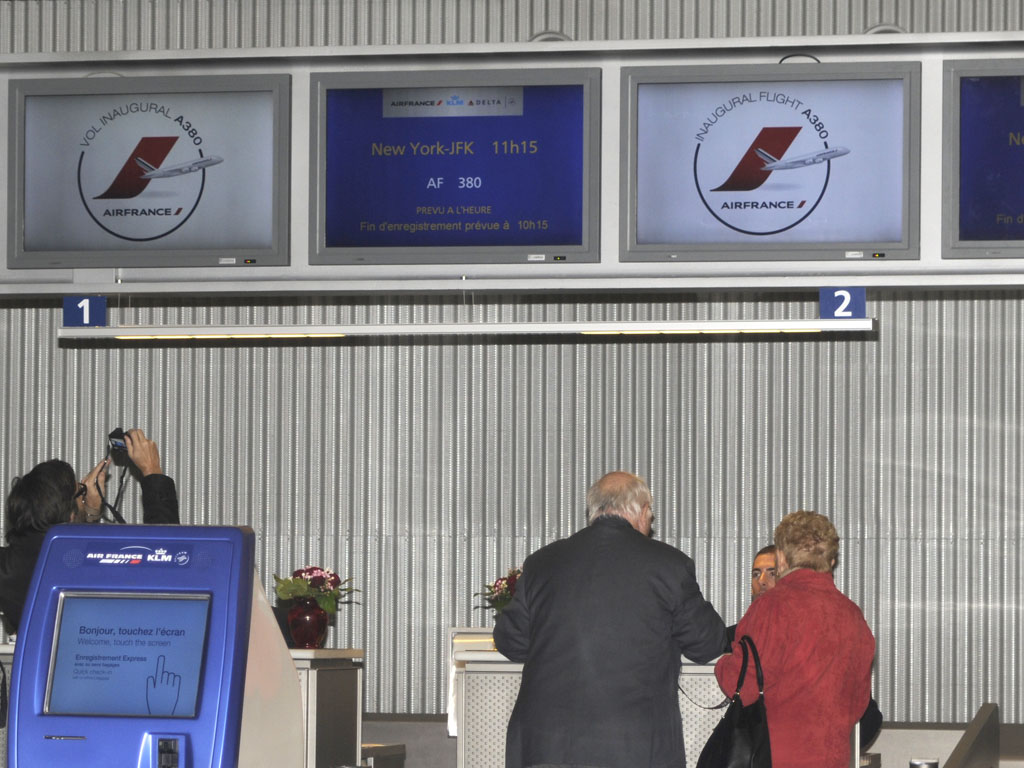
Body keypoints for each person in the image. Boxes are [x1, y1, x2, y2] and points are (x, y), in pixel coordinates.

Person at [493, 471, 728, 768]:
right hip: (635, 748)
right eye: (651, 515)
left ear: (594, 510)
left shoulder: (542, 563)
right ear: (642, 511)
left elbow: (510, 641)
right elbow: (707, 643)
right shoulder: (669, 565)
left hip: (545, 747)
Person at [715, 510, 875, 768]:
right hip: (833, 759)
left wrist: (722, 665)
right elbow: (858, 703)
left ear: (781, 558)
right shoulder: (853, 615)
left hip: (777, 757)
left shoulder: (771, 607)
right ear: (831, 560)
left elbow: (742, 685)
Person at [0, 429, 178, 635]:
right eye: (80, 493)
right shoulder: (96, 562)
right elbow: (167, 561)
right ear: (70, 516)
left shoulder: (7, 569)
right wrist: (152, 472)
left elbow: (58, 556)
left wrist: (89, 513)